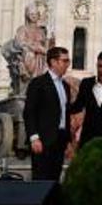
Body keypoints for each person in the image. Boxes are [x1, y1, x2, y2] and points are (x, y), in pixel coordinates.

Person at [23, 46, 72, 181]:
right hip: (43, 140)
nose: (68, 64)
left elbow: (65, 114)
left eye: (68, 61)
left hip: (60, 139)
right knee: (40, 180)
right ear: (53, 62)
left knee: (54, 180)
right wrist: (34, 138)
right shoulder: (38, 83)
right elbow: (29, 112)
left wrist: (68, 141)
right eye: (65, 61)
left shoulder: (66, 86)